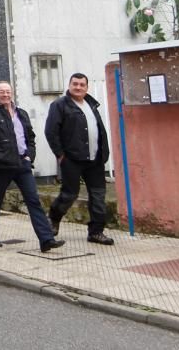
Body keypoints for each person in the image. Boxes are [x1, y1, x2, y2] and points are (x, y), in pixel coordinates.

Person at [0, 81, 64, 252]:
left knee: (33, 201)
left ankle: (46, 240)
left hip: (23, 163)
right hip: (2, 165)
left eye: (8, 92)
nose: (5, 95)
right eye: (1, 92)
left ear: (12, 93)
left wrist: (30, 155)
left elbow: (30, 136)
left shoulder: (21, 114)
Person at [44, 72, 115, 245]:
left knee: (98, 196)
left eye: (82, 85)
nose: (78, 87)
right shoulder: (60, 105)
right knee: (69, 195)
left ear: (86, 87)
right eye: (75, 84)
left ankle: (96, 232)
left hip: (95, 160)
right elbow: (51, 132)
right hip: (72, 159)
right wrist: (61, 155)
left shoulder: (91, 104)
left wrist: (104, 153)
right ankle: (53, 218)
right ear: (69, 85)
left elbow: (100, 130)